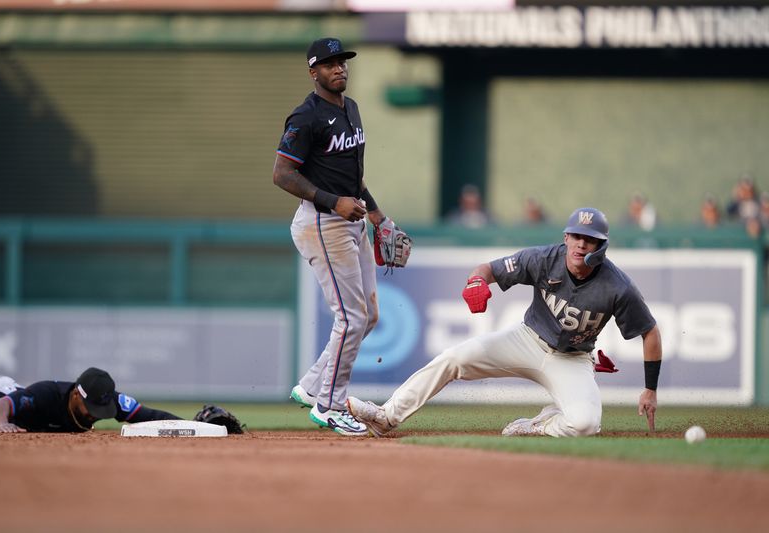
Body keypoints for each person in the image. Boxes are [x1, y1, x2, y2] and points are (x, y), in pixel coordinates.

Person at [348, 207, 663, 438]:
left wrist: (649, 389)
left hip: (572, 358)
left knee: (585, 425)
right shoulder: (543, 259)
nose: (581, 245)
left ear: (601, 246)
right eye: (577, 237)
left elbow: (650, 332)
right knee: (455, 358)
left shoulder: (617, 286)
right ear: (566, 237)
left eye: (590, 240)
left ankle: (539, 425)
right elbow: (488, 269)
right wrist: (476, 282)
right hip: (526, 340)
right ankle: (386, 416)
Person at [273, 37, 397, 436]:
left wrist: (375, 210)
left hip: (351, 219)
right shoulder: (304, 117)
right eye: (329, 64)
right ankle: (328, 405)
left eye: (342, 61)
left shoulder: (351, 109)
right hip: (322, 222)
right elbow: (282, 175)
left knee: (369, 315)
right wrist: (334, 203)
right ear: (314, 72)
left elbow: (351, 174)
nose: (339, 68)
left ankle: (312, 387)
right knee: (351, 317)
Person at [0, 367, 182, 433]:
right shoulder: (47, 394)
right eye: (91, 406)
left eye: (101, 407)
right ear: (76, 395)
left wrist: (200, 426)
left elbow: (151, 416)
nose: (94, 413)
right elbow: (0, 405)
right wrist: (2, 424)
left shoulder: (110, 400)